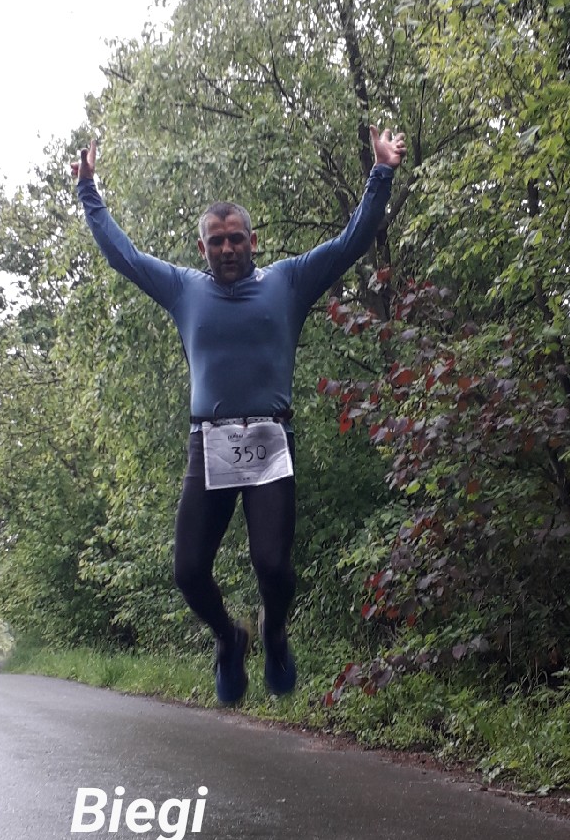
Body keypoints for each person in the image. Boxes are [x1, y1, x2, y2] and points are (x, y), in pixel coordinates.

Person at [72, 127, 407, 705]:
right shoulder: (183, 289)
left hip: (270, 438)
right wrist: (88, 192)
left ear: (253, 241)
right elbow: (123, 255)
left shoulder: (288, 281)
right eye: (216, 242)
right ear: (202, 248)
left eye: (235, 239)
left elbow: (352, 240)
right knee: (187, 571)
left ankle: (274, 633)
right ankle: (230, 639)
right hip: (209, 444)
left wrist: (381, 173)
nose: (227, 249)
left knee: (272, 564)